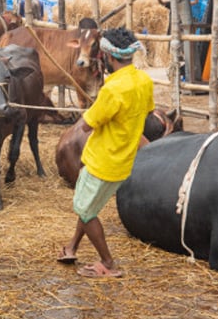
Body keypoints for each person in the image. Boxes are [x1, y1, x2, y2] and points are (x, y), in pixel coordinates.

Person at [57, 27, 154, 278]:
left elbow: (88, 124)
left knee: (85, 209)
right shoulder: (144, 81)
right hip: (124, 161)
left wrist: (96, 104)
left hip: (102, 161)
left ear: (109, 58)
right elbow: (147, 111)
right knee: (90, 206)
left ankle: (107, 262)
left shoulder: (112, 90)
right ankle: (72, 246)